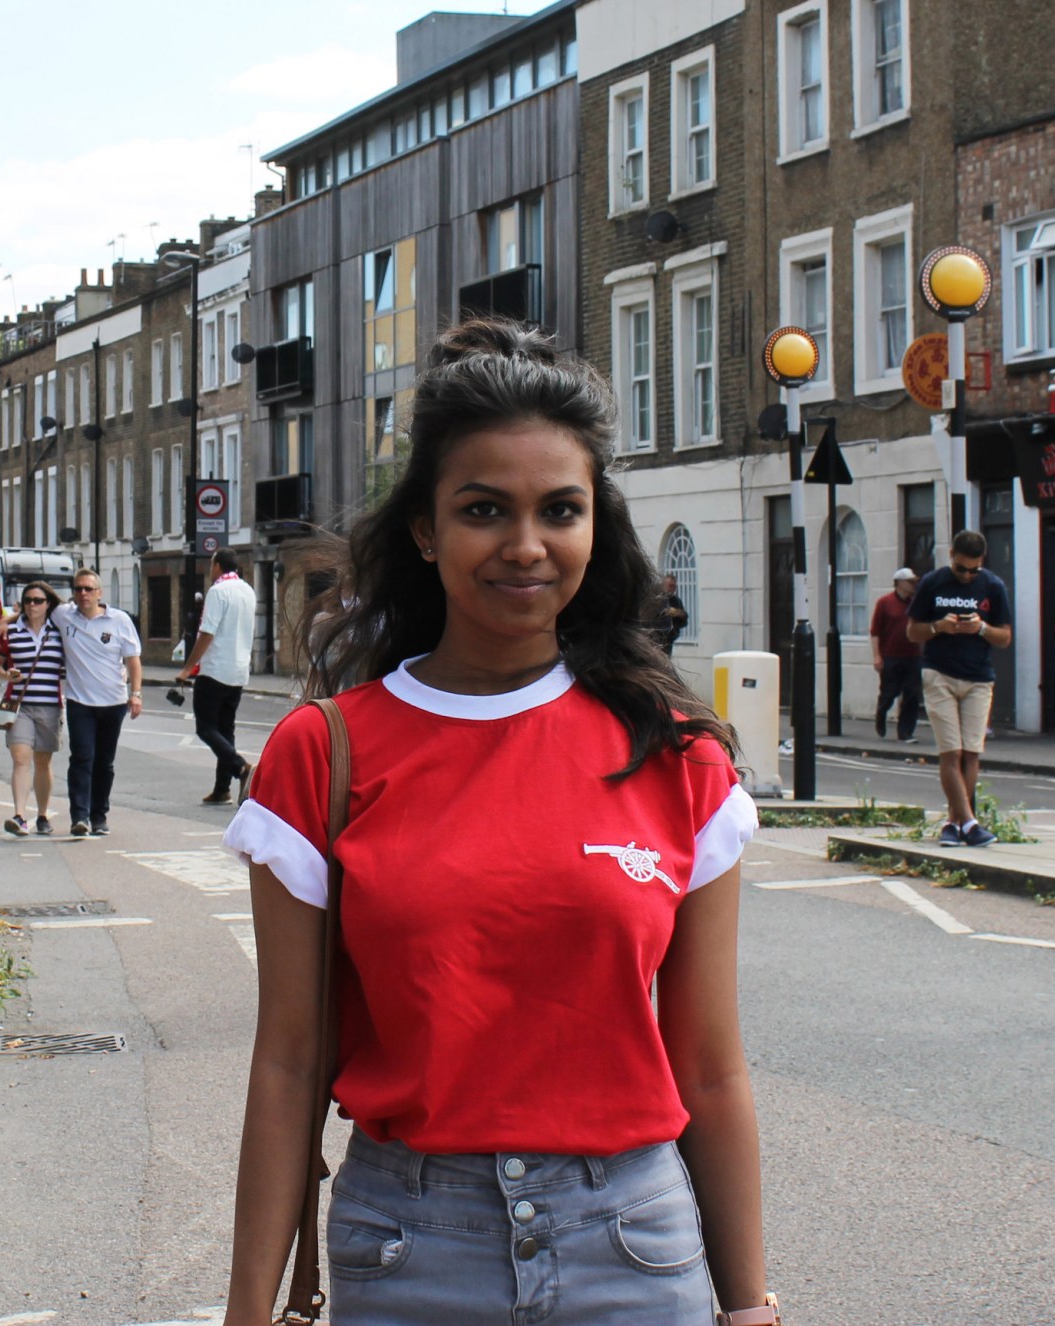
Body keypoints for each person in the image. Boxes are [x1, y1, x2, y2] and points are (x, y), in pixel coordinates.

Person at [217, 319, 772, 1326]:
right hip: (408, 1247)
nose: (526, 546)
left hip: (636, 1251)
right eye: (484, 510)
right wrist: (247, 1312)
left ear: (595, 524)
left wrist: (748, 1308)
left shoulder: (677, 755)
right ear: (427, 531)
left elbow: (711, 1066)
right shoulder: (323, 754)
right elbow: (289, 1059)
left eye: (561, 509)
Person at [906, 530, 1013, 847]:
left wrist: (979, 627)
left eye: (973, 570)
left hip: (979, 677)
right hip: (940, 673)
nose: (967, 575)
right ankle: (969, 822)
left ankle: (954, 824)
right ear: (951, 555)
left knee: (971, 753)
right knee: (951, 752)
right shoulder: (933, 583)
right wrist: (941, 626)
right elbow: (913, 631)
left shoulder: (992, 585)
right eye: (961, 568)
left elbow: (1005, 636)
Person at [55, 569, 142, 837]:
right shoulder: (63, 615)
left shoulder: (119, 620)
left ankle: (99, 815)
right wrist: (3, 622)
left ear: (99, 593)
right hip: (80, 701)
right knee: (81, 757)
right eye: (78, 589)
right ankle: (79, 817)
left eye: (88, 589)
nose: (83, 594)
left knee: (104, 763)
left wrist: (136, 693)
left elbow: (133, 660)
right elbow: (32, 606)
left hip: (113, 702)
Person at [177, 548, 257, 805]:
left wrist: (188, 667)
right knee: (225, 730)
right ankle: (222, 789)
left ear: (218, 566)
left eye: (211, 565)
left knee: (205, 728)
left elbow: (207, 633)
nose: (210, 570)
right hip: (238, 672)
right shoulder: (248, 591)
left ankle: (241, 766)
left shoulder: (218, 592)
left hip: (215, 671)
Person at [0, 581, 66, 837]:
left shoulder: (59, 630)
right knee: (20, 759)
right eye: (27, 600)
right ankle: (20, 815)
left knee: (42, 762)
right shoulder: (10, 632)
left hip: (50, 706)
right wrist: (6, 674)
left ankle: (42, 815)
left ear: (48, 604)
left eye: (38, 600)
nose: (32, 605)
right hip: (19, 705)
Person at [869, 568, 923, 743]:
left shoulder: (916, 603)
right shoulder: (885, 603)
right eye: (910, 582)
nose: (913, 586)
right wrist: (877, 656)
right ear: (899, 583)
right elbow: (875, 631)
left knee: (912, 694)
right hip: (891, 655)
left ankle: (905, 731)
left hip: (912, 655)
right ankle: (881, 712)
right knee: (890, 692)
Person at [654, 571, 689, 654]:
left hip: (669, 640)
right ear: (663, 585)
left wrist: (680, 614)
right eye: (670, 586)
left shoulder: (676, 601)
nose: (672, 589)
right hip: (655, 641)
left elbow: (684, 622)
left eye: (674, 587)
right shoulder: (656, 599)